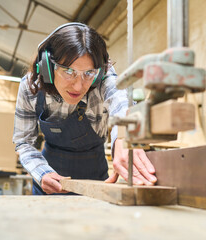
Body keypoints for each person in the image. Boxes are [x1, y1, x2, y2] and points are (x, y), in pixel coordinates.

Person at [13, 22, 157, 195]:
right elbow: (24, 142)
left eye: (88, 73)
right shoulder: (31, 88)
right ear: (48, 68)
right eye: (68, 71)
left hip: (96, 178)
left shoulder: (102, 77)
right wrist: (42, 173)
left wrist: (124, 138)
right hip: (50, 180)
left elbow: (120, 100)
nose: (79, 86)